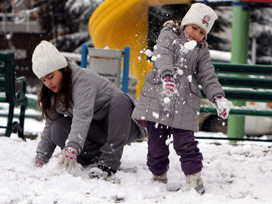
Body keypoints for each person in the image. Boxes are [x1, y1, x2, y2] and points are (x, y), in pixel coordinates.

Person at [132, 3, 232, 194]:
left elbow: (207, 75)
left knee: (185, 142)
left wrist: (218, 97)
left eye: (201, 32)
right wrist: (167, 76)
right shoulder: (169, 33)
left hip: (185, 101)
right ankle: (158, 176)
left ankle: (194, 179)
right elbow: (162, 54)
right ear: (185, 24)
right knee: (156, 145)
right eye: (194, 27)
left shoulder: (201, 50)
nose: (196, 34)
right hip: (159, 96)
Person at [32, 40, 146, 177]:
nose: (48, 83)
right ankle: (91, 158)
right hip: (96, 129)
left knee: (121, 100)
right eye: (43, 80)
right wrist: (42, 155)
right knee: (57, 127)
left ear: (63, 69)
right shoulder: (53, 92)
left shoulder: (82, 81)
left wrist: (73, 146)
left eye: (50, 77)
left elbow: (82, 114)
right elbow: (51, 123)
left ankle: (108, 163)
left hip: (121, 124)